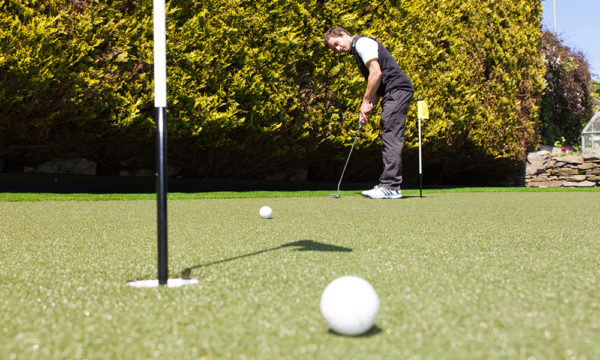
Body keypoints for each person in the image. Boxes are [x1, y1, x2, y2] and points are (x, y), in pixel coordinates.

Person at [324, 27, 413, 199]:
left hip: (398, 90)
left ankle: (391, 186)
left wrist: (365, 102)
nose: (337, 49)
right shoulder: (358, 51)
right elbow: (377, 87)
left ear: (343, 34)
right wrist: (369, 106)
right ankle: (388, 185)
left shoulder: (362, 43)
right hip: (392, 91)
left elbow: (376, 74)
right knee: (388, 131)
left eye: (336, 43)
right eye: (333, 48)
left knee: (390, 134)